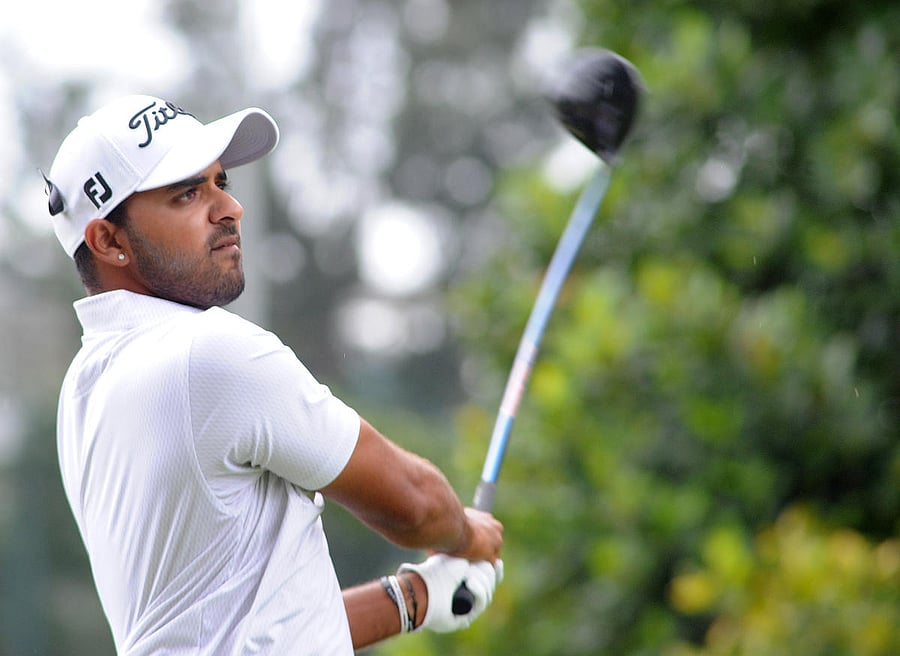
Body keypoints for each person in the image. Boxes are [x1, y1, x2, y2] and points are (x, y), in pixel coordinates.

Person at [44, 94, 504, 655]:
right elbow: (414, 503)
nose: (229, 209)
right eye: (188, 193)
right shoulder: (208, 354)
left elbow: (235, 631)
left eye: (221, 182)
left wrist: (416, 597)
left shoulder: (84, 387)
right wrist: (470, 535)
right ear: (108, 241)